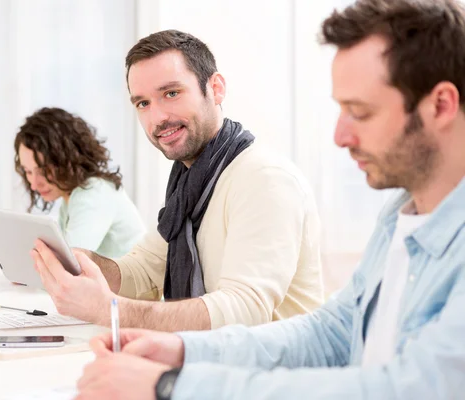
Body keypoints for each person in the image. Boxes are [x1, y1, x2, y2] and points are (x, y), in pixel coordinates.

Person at [73, 0, 465, 398]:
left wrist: (172, 384)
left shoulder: (264, 178)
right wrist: (183, 350)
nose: (340, 136)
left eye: (360, 112)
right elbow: (333, 332)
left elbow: (417, 387)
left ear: (441, 106)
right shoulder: (398, 214)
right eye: (143, 103)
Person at [31, 30, 323, 332]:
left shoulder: (263, 180)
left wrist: (112, 311)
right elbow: (143, 272)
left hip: (269, 374)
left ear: (216, 89)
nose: (157, 117)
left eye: (171, 93)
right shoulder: (190, 181)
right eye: (143, 103)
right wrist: (81, 261)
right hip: (213, 363)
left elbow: (244, 310)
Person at [15, 107, 145, 259]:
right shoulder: (69, 199)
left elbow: (70, 263)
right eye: (28, 172)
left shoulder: (94, 194)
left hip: (140, 282)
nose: (34, 185)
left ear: (68, 160)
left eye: (44, 171)